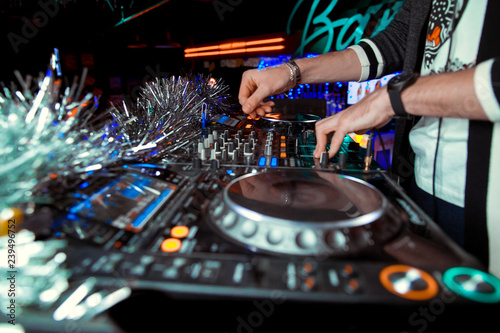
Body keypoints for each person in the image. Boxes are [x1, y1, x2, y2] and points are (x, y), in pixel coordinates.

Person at [238, 0, 499, 277]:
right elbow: (397, 42)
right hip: (419, 184)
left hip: (489, 202)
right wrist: (290, 72)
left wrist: (391, 98)